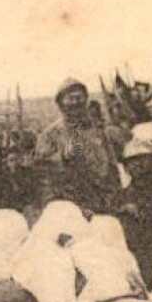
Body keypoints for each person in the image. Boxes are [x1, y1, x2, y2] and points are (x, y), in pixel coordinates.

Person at [34, 78, 121, 213]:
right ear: (61, 103)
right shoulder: (51, 133)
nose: (75, 102)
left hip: (101, 198)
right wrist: (63, 155)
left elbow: (111, 163)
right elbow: (39, 163)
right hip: (67, 200)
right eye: (70, 98)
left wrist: (116, 194)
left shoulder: (97, 130)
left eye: (79, 98)